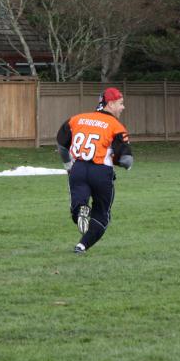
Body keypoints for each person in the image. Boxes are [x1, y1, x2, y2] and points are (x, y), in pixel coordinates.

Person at [56, 87, 134, 254]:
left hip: (78, 169)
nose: (123, 107)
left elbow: (61, 146)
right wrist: (122, 162)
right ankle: (82, 246)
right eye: (121, 103)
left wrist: (68, 166)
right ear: (110, 104)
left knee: (77, 209)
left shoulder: (76, 119)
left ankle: (81, 211)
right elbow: (126, 160)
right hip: (101, 172)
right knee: (102, 214)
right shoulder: (116, 126)